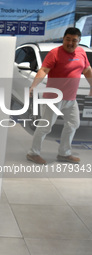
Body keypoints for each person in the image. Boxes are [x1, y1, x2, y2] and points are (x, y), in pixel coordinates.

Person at [26, 27, 92, 165]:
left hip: (71, 98)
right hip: (53, 98)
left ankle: (64, 153)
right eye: (67, 39)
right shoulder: (54, 53)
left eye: (74, 40)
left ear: (79, 41)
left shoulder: (81, 53)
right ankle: (33, 153)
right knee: (46, 127)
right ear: (63, 38)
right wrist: (34, 85)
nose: (70, 43)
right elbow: (43, 70)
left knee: (73, 124)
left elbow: (87, 70)